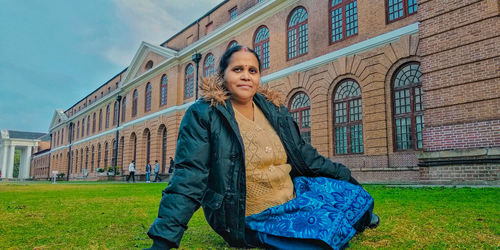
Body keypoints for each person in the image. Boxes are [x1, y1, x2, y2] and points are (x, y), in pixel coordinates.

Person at [147, 46, 379, 249]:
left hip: (291, 196)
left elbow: (305, 156)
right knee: (325, 232)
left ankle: (348, 218)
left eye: (252, 70)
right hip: (246, 213)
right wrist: (163, 240)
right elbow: (190, 175)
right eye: (237, 69)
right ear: (223, 75)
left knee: (357, 197)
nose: (246, 76)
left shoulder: (275, 110)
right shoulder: (203, 114)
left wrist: (346, 179)